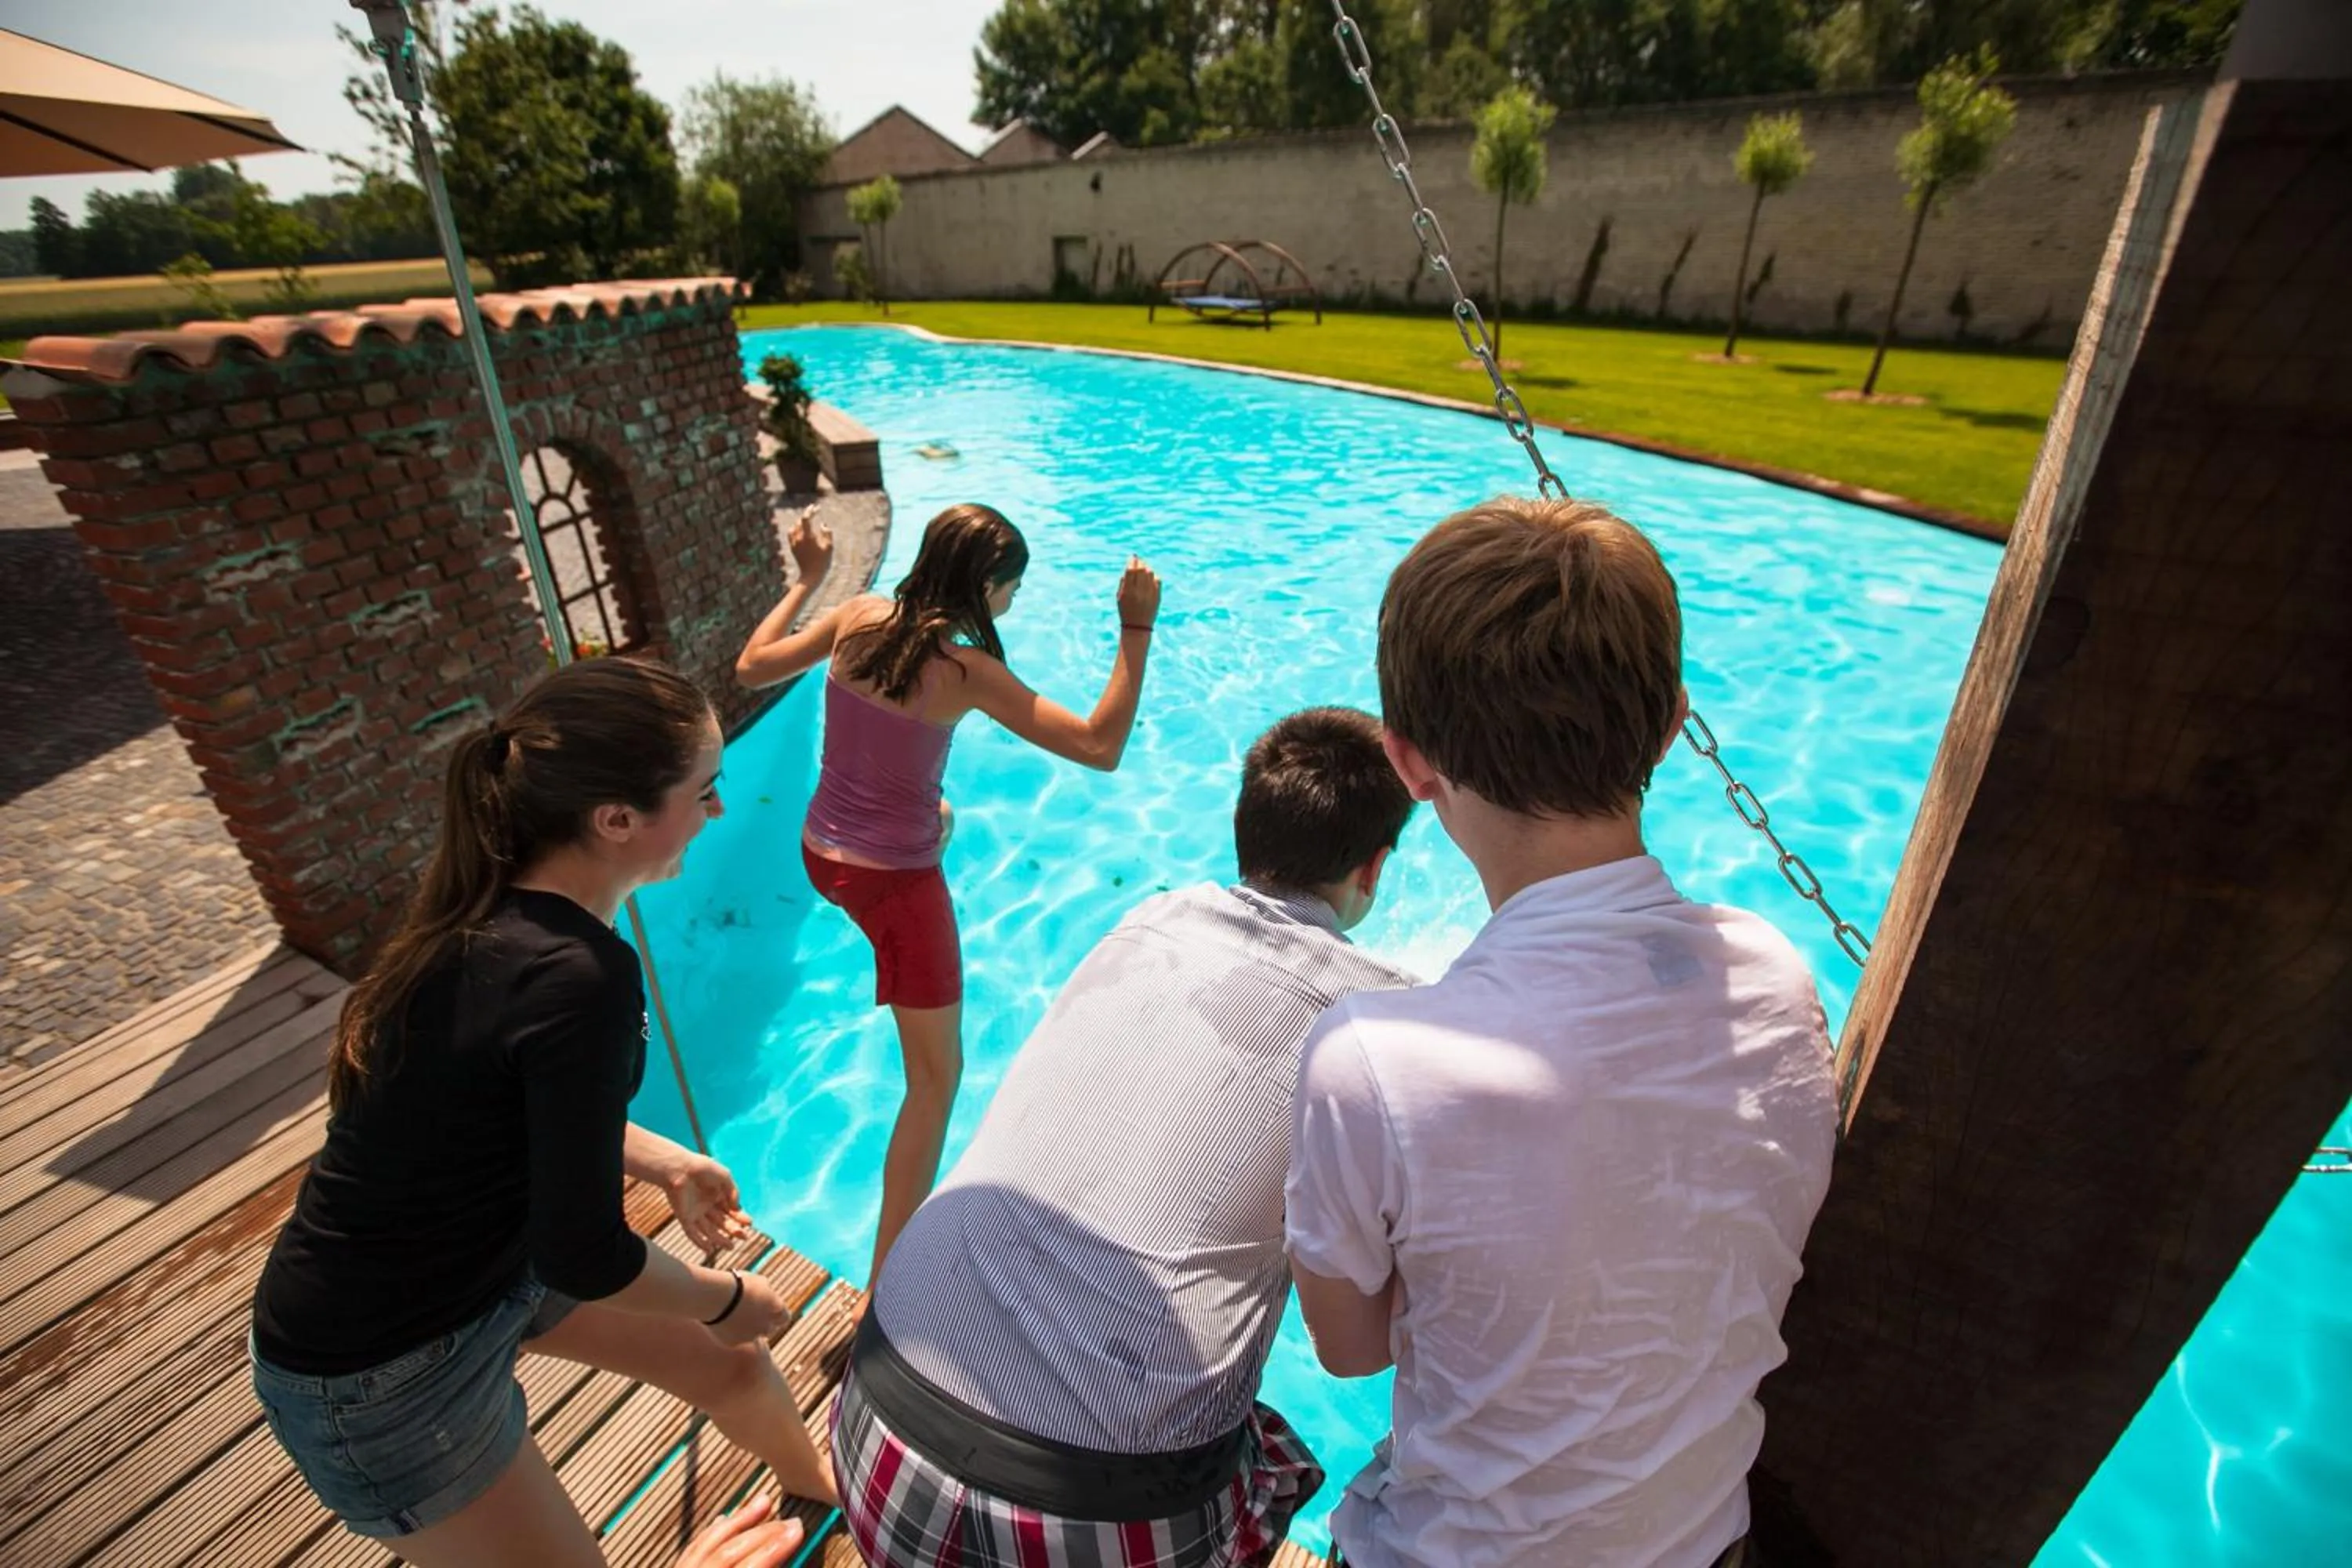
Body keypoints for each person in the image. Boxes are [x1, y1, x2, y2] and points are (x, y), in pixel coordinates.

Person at [1285, 498, 1840, 1568]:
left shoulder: (1377, 1062)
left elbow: (1350, 1351)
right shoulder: (1775, 976)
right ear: (1674, 725)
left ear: (1407, 762)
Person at [250, 657, 837, 1567]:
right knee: (728, 1335)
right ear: (615, 819)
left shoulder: (479, 916)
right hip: (378, 1366)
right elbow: (587, 1253)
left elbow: (495, 1113)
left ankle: (829, 1494)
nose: (717, 810)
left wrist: (661, 1161)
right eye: (704, 789)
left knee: (729, 1364)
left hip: (484, 1266)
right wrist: (725, 1296)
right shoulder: (580, 980)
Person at [829, 707, 1417, 1568]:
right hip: (1089, 1522)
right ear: (1373, 869)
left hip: (873, 1438)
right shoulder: (1381, 1024)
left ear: (1246, 829)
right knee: (1281, 1461)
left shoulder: (1150, 919)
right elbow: (1354, 1349)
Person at [735, 502, 1160, 1282]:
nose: (1011, 602)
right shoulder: (965, 672)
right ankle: (886, 1278)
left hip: (818, 852)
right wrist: (1136, 629)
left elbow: (752, 666)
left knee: (940, 811)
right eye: (1011, 588)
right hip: (890, 881)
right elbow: (1100, 745)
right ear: (983, 584)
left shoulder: (859, 617)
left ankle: (924, 826)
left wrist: (809, 581)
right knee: (937, 1077)